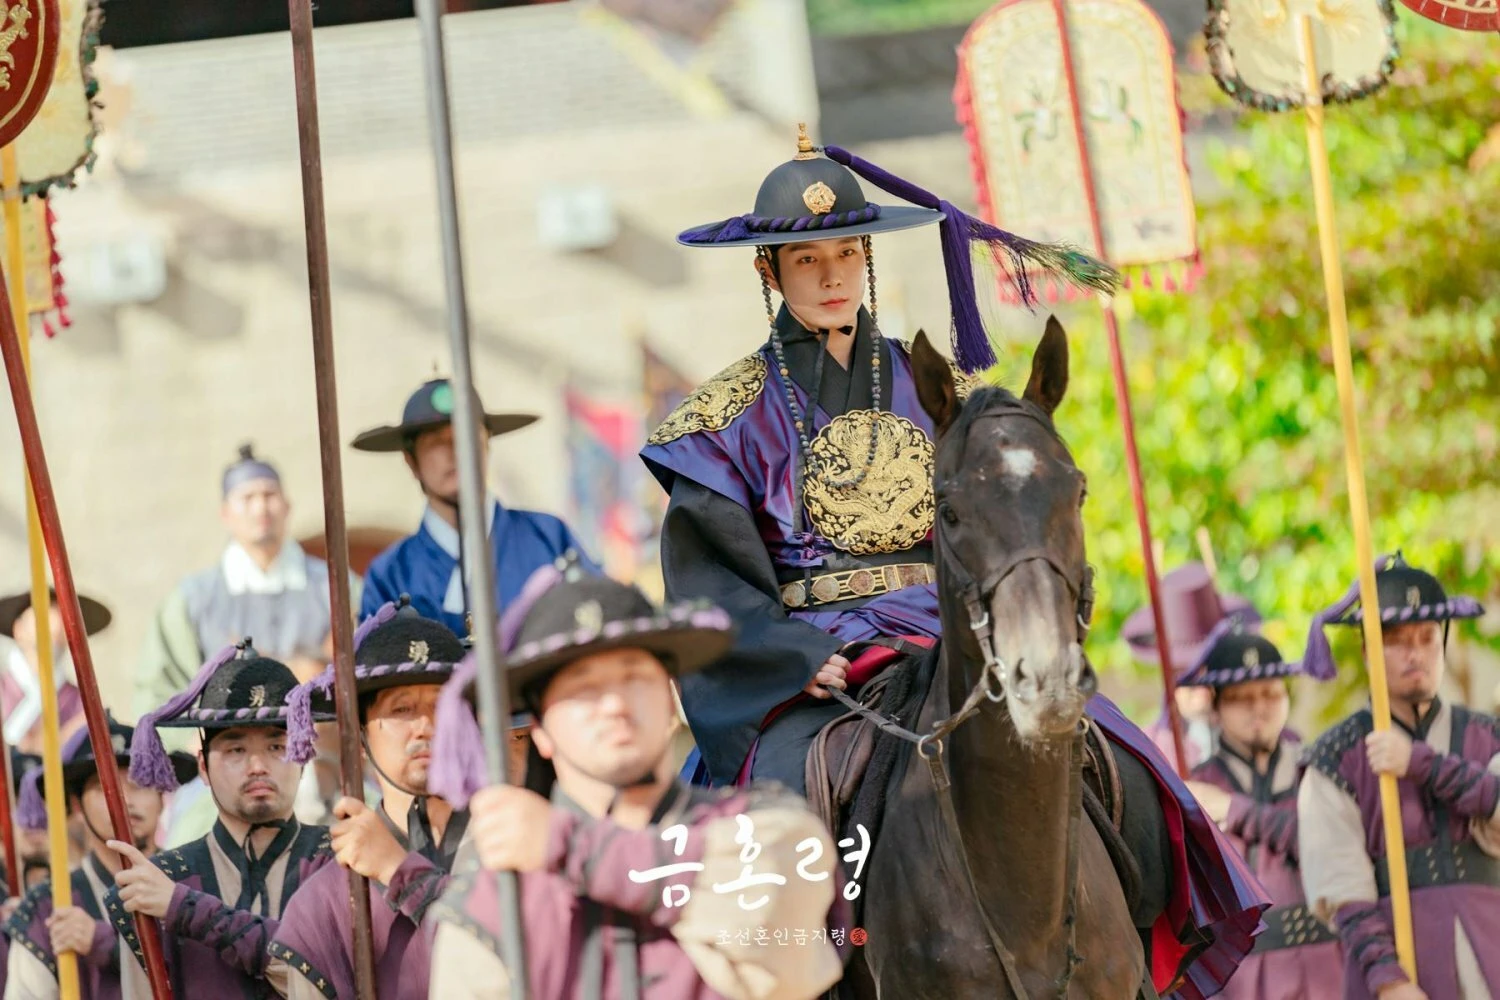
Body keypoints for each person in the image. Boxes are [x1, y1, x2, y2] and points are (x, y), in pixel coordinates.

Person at [638, 123, 1265, 998]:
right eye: (806, 261)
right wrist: (789, 659)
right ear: (769, 273)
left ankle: (1156, 928)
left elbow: (1007, 527)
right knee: (776, 801)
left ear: (864, 259)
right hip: (809, 656)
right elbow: (705, 592)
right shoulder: (720, 420)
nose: (828, 278)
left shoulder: (939, 392)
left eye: (843, 256)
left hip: (949, 625)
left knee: (1118, 753)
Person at [424, 558, 847, 999]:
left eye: (634, 678)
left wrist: (566, 845)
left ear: (670, 703)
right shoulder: (492, 897)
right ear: (540, 731)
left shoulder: (764, 829)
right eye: (583, 688)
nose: (614, 705)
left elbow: (787, 959)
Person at [1299, 552, 1498, 1000]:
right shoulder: (1335, 757)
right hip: (1401, 972)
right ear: (1369, 650)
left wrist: (1420, 763)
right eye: (1397, 640)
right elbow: (1342, 887)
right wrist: (1390, 983)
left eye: (1428, 638)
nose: (1416, 654)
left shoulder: (1490, 736)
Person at [103, 640, 333, 996]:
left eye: (276, 747)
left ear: (302, 754)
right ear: (203, 767)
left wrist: (184, 908)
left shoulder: (341, 864)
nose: (258, 767)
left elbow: (330, 979)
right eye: (236, 749)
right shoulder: (159, 883)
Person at [268, 599, 473, 999]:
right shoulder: (325, 901)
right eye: (402, 709)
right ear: (359, 736)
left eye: (440, 706)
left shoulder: (516, 845)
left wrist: (399, 869)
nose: (425, 727)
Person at [354, 378, 596, 637]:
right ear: (411, 461)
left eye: (467, 437)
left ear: (486, 444)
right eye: (436, 442)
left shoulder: (548, 535)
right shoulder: (391, 574)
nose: (455, 452)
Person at [1182, 620, 1344, 999]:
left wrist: (1234, 810)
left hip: (1330, 973)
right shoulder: (1196, 790)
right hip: (1241, 982)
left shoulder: (1319, 771)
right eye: (1242, 697)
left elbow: (1331, 851)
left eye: (1271, 694)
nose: (1260, 708)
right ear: (1217, 706)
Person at [135, 445, 346, 718]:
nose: (260, 508)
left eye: (269, 495)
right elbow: (158, 692)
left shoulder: (335, 586)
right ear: (226, 513)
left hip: (320, 746)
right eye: (247, 498)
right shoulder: (192, 600)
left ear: (287, 505)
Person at [4, 718, 195, 1000]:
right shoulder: (48, 906)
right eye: (104, 786)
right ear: (77, 806)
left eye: (140, 783)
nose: (125, 800)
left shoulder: (196, 880)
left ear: (161, 796)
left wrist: (102, 943)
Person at [1123, 563, 1262, 772]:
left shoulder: (1264, 738)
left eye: (1213, 664)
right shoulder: (1146, 754)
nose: (1202, 680)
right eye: (1186, 670)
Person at [0, 588, 110, 755]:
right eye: (42, 617)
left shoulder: (83, 704)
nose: (55, 627)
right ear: (19, 629)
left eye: (63, 619)